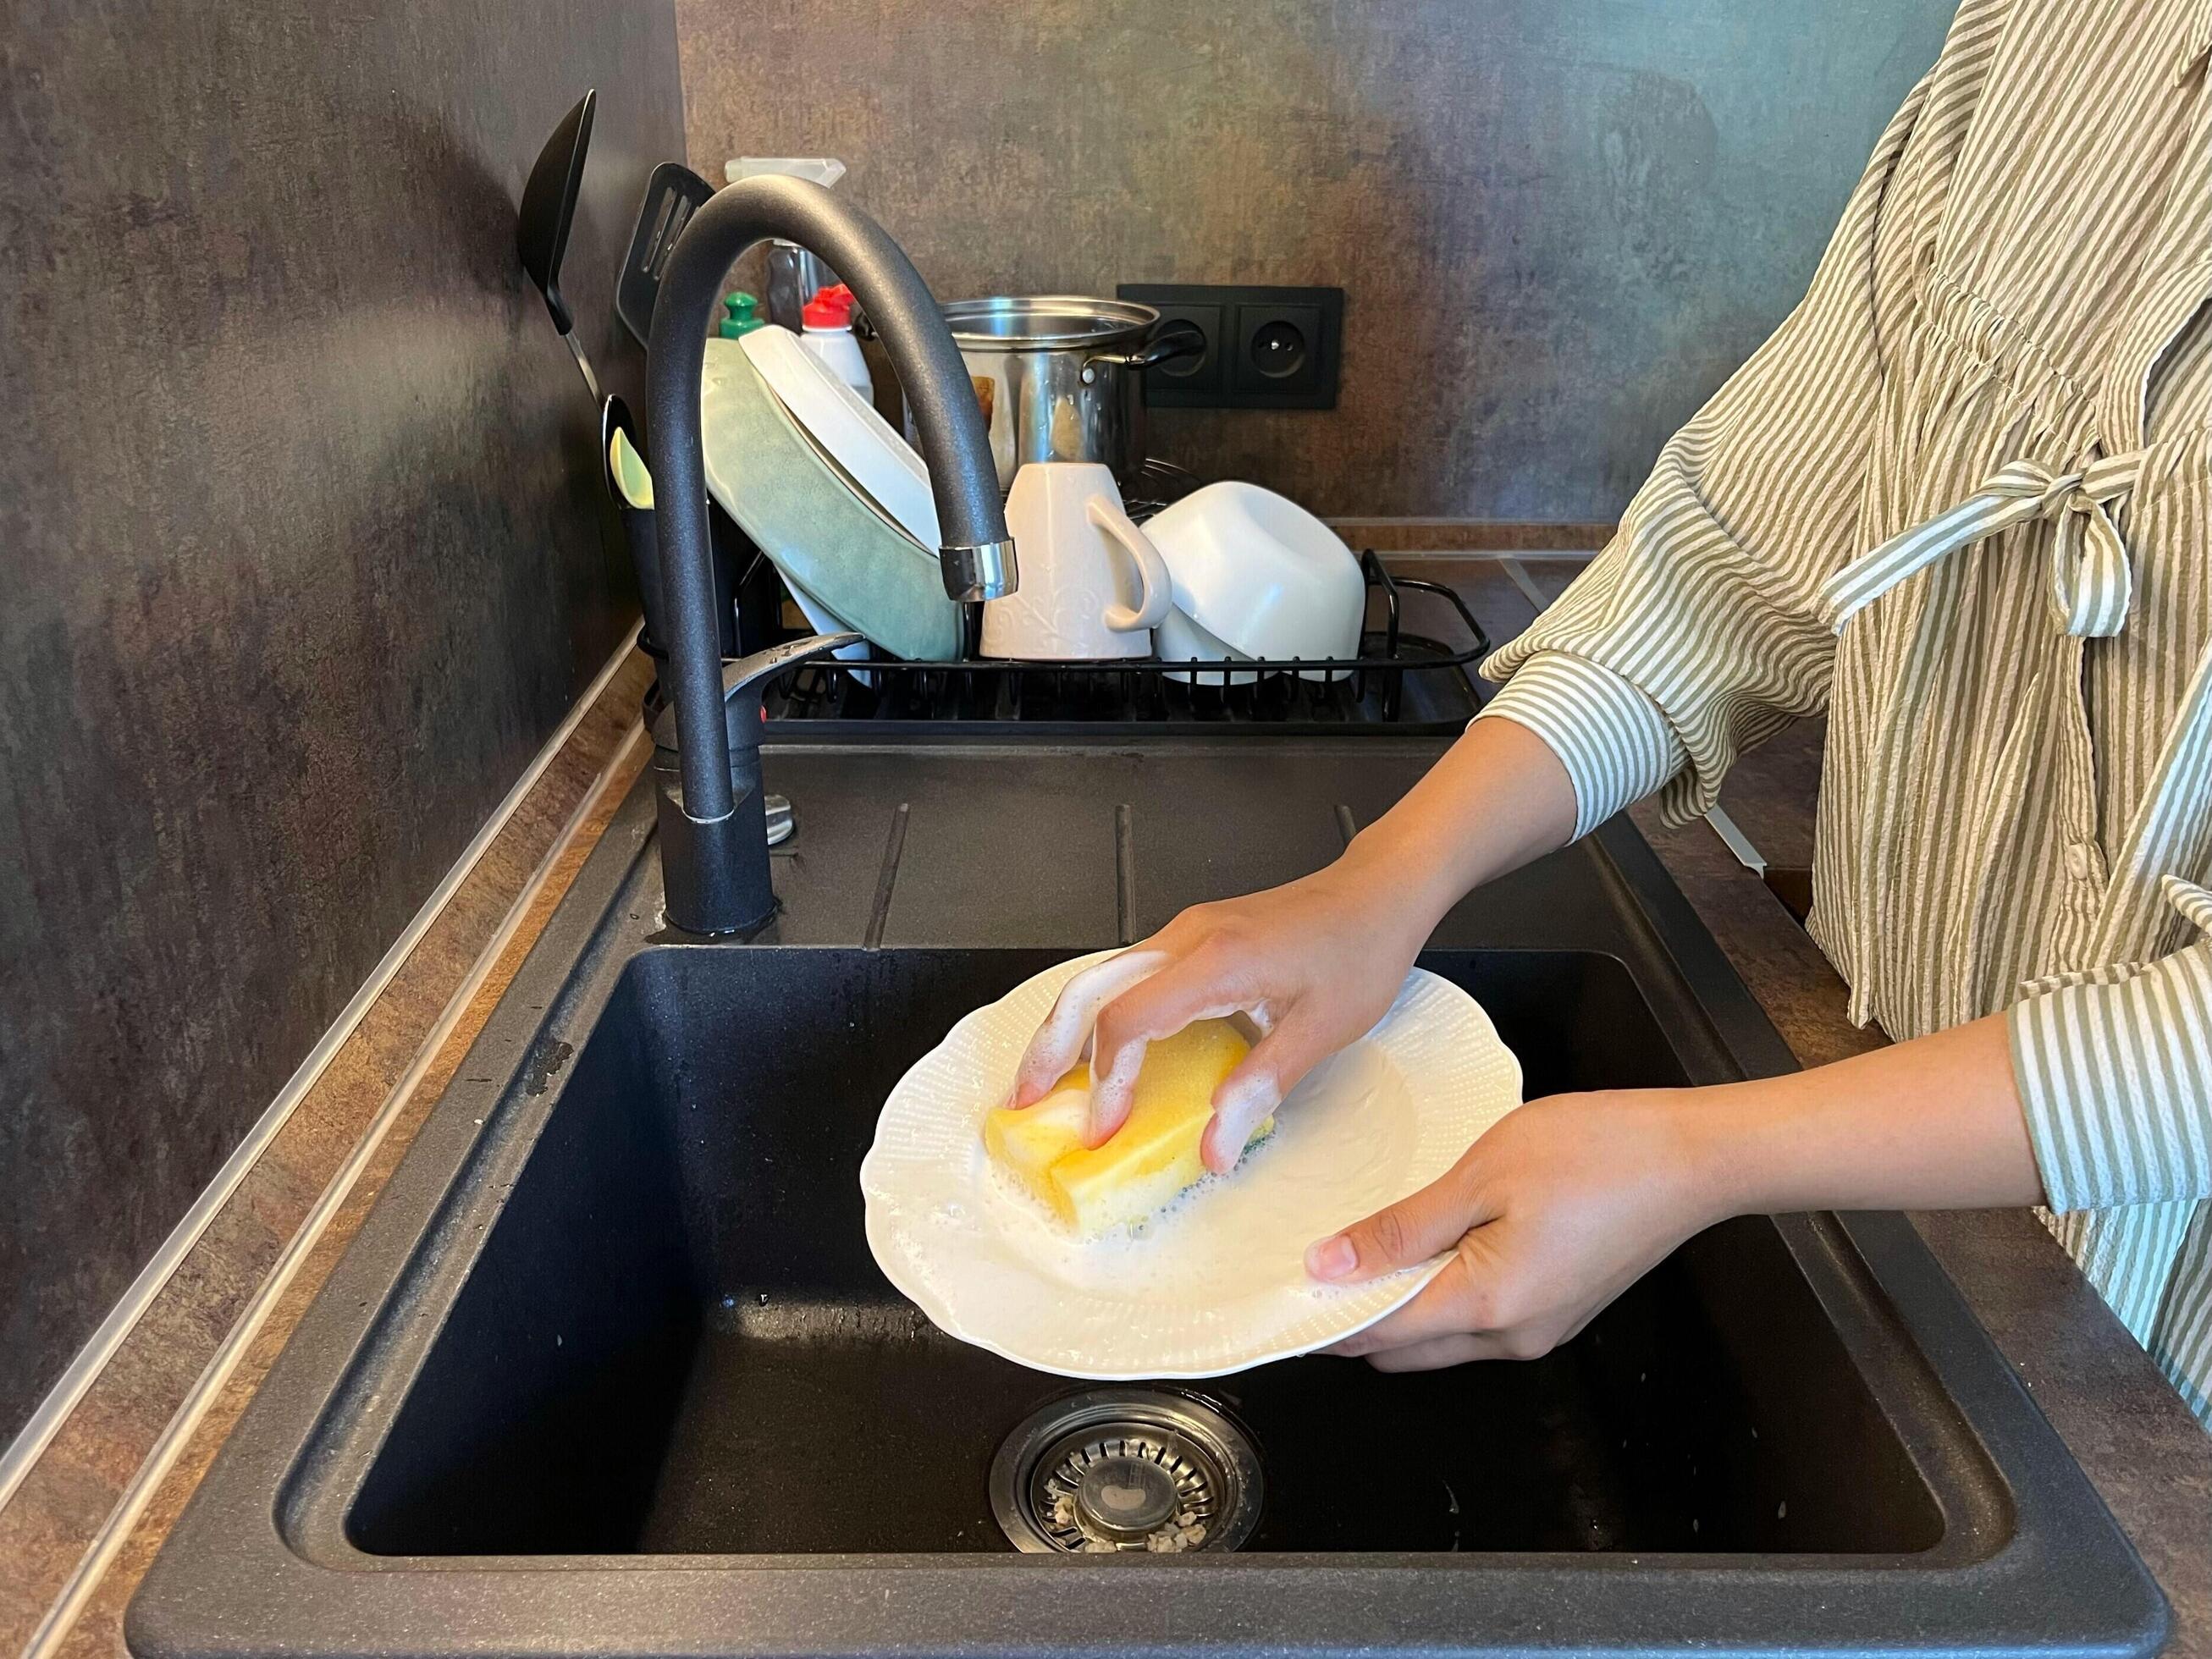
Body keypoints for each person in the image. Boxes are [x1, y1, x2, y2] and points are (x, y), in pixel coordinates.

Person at [1009, 0, 2212, 1423]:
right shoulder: (2055, 38)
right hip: (1872, 1120)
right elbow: (1732, 558)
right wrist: (1380, 880)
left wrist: (1705, 1155)